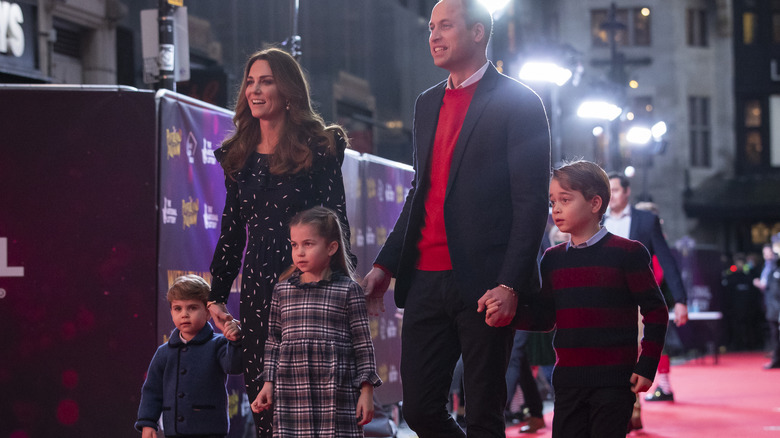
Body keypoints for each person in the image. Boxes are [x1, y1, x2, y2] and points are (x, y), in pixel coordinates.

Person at [362, 0, 551, 435]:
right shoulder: (427, 103)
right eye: (431, 27)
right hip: (425, 279)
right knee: (421, 410)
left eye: (446, 26)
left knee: (484, 413)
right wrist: (384, 266)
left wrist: (510, 284)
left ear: (479, 32)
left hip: (486, 283)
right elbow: (420, 191)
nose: (434, 35)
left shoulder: (520, 102)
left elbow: (530, 203)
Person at [207, 47, 353, 437]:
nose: (255, 90)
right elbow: (232, 230)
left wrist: (342, 285)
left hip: (309, 287)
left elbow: (337, 222)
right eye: (250, 82)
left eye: (266, 81)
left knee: (314, 405)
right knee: (266, 403)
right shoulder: (237, 156)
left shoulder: (319, 148)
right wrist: (216, 295)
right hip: (257, 289)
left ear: (288, 91)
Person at [506, 160, 669, 438]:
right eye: (552, 201)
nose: (555, 208)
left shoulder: (627, 253)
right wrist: (509, 315)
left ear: (595, 204)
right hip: (568, 381)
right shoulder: (553, 259)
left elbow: (656, 311)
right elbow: (546, 318)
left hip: (615, 381)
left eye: (565, 200)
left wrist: (648, 365)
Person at [251, 207, 382, 437]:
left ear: (331, 247)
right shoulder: (282, 290)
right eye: (294, 245)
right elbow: (273, 341)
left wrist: (367, 391)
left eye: (308, 244)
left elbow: (362, 344)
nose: (299, 252)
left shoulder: (348, 290)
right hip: (292, 391)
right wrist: (268, 382)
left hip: (337, 391)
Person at [604, 173, 687, 433]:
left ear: (627, 192)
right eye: (608, 190)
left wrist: (681, 300)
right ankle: (625, 410)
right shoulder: (597, 219)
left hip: (636, 299)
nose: (612, 195)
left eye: (616, 190)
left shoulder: (646, 221)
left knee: (631, 354)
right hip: (602, 300)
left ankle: (630, 411)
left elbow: (667, 259)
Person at [135, 275, 243, 438]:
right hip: (173, 431)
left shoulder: (218, 344)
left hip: (210, 430)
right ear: (171, 311)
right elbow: (152, 390)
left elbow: (233, 367)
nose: (184, 314)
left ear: (208, 313)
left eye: (192, 308)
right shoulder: (164, 352)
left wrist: (236, 342)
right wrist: (147, 422)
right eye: (178, 308)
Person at [505, 331, 546, 433]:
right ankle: (536, 414)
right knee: (520, 363)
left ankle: (499, 410)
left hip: (517, 319)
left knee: (513, 357)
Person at [755, 242, 780, 369]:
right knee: (774, 333)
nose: (766, 256)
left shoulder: (775, 266)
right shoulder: (767, 267)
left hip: (776, 306)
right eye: (764, 253)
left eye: (768, 253)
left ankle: (776, 359)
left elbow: (774, 289)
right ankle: (776, 358)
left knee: (776, 334)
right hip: (771, 305)